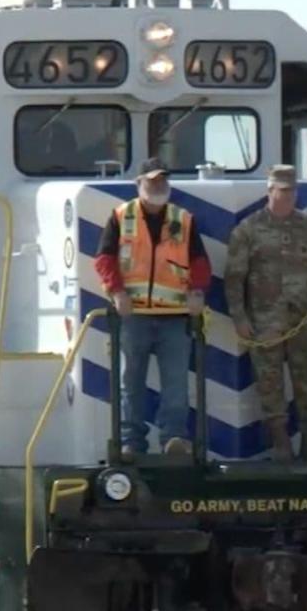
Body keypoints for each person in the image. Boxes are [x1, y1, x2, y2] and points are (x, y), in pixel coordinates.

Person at [94, 157, 213, 455]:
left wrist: (198, 291)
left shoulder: (183, 219)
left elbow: (199, 262)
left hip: (174, 317)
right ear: (139, 184)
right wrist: (116, 291)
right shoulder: (121, 216)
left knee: (175, 384)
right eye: (152, 181)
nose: (158, 185)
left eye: (162, 180)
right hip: (134, 316)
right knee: (130, 383)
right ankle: (131, 443)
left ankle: (173, 440)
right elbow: (104, 260)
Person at [225, 165, 307, 462]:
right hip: (264, 324)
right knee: (269, 386)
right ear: (270, 191)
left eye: (291, 191)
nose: (287, 196)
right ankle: (281, 445)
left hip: (303, 321)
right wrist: (239, 317)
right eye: (281, 191)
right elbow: (234, 277)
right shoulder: (248, 230)